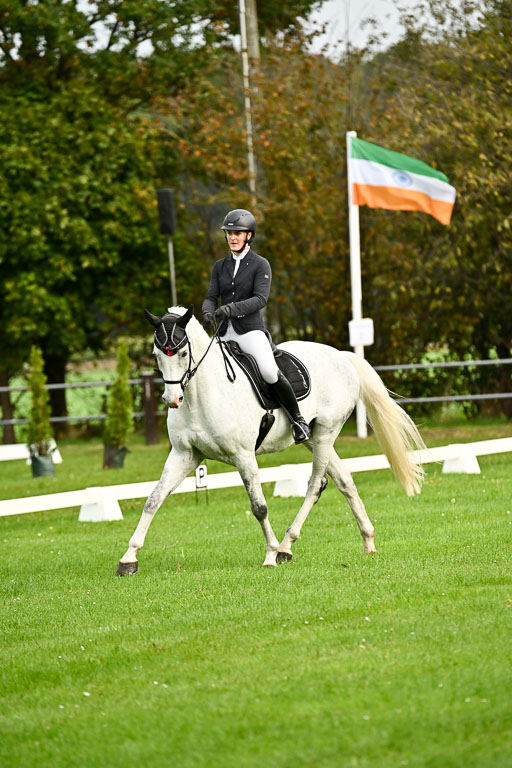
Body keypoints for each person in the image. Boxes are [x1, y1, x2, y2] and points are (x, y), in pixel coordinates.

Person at [202, 208, 310, 444]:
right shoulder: (219, 266)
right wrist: (208, 311)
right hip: (223, 332)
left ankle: (298, 419)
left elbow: (260, 300)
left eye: (237, 233)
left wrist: (230, 309)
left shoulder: (261, 264)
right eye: (229, 233)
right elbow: (211, 296)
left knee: (270, 371)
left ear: (248, 236)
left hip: (249, 331)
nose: (232, 237)